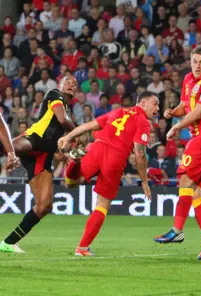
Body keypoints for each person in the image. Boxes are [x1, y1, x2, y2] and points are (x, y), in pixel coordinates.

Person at [57, 92, 159, 256]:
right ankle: (82, 248)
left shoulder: (118, 111)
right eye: (155, 104)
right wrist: (145, 182)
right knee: (102, 205)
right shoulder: (143, 122)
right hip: (115, 158)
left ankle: (75, 162)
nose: (157, 108)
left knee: (70, 184)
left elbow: (89, 125)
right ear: (144, 103)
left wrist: (68, 136)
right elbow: (140, 154)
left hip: (97, 148)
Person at [153, 47, 201, 260]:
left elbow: (199, 112)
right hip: (200, 139)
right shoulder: (188, 79)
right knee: (195, 192)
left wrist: (176, 126)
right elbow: (187, 105)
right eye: (194, 61)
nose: (198, 66)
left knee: (184, 181)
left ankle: (176, 230)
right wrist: (174, 111)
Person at [0, 76, 77, 253]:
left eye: (75, 84)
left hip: (44, 156)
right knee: (21, 145)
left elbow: (55, 134)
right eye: (69, 82)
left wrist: (60, 153)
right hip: (33, 141)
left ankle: (9, 242)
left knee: (45, 205)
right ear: (60, 85)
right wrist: (78, 132)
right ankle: (11, 153)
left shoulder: (68, 108)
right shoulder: (54, 94)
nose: (72, 85)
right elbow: (62, 120)